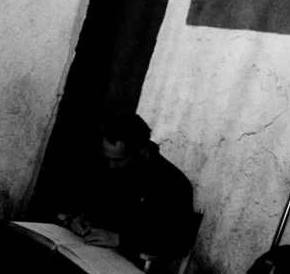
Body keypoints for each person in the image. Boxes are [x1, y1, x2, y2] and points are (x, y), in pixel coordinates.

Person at [61, 112, 195, 262]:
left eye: (118, 161)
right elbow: (88, 203)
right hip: (90, 250)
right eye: (107, 157)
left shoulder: (173, 183)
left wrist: (121, 239)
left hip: (132, 262)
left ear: (141, 151)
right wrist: (78, 219)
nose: (111, 165)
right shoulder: (107, 164)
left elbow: (179, 244)